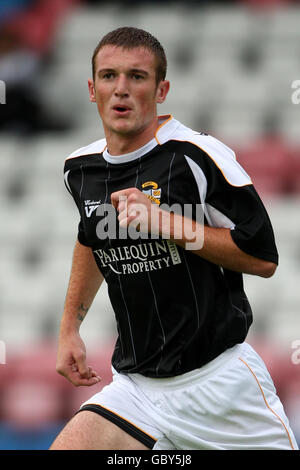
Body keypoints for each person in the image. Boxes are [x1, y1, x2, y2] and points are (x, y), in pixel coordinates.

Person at [50, 27, 298, 450]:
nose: (121, 90)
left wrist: (169, 224)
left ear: (162, 88)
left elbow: (263, 258)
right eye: (109, 76)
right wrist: (70, 326)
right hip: (137, 391)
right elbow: (90, 237)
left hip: (220, 386)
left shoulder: (198, 156)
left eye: (137, 77)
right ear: (92, 89)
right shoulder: (80, 169)